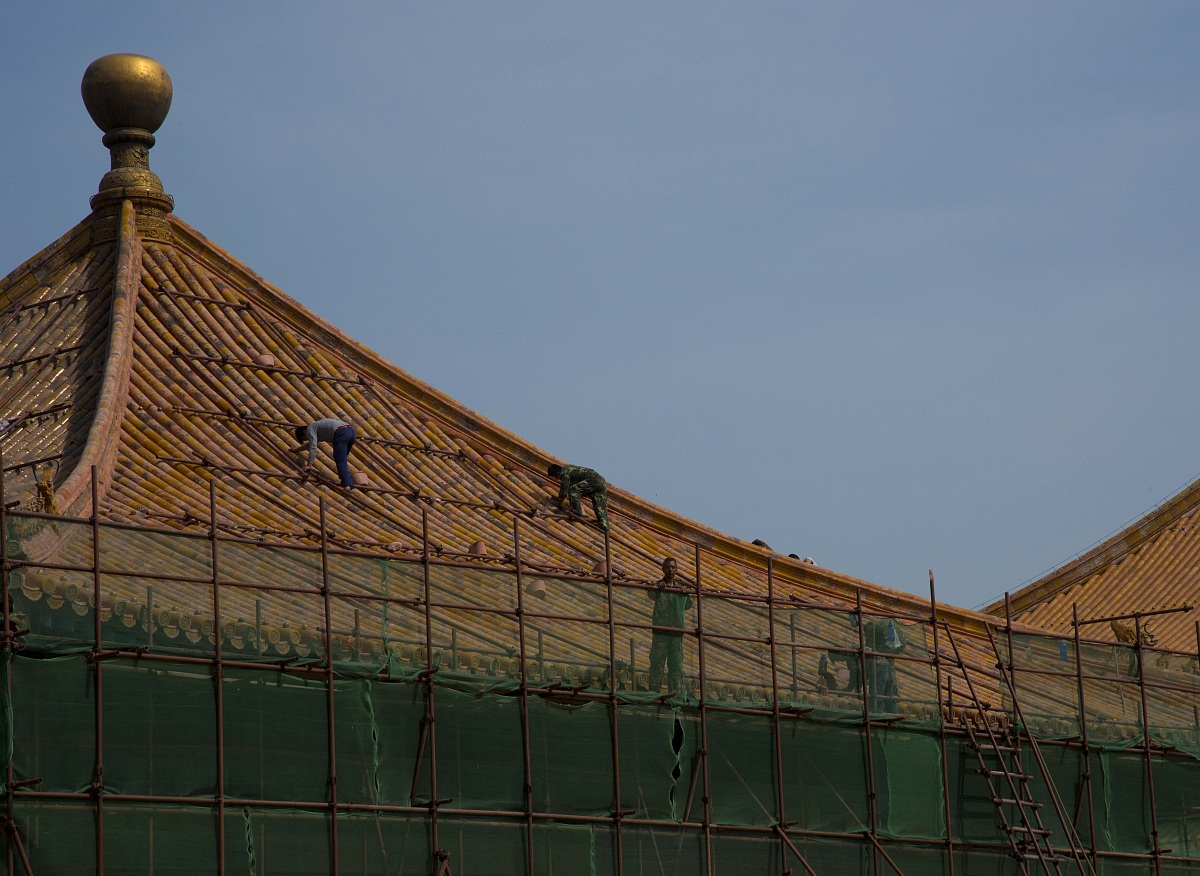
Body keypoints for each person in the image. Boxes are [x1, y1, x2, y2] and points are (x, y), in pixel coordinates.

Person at [646, 557, 692, 697]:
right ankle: (654, 692)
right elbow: (651, 594)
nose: (670, 570)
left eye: (673, 567)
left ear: (676, 569)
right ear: (663, 569)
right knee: (657, 662)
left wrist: (684, 593)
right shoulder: (659, 585)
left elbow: (688, 605)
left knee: (676, 663)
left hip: (676, 632)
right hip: (661, 632)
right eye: (667, 567)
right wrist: (658, 588)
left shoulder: (680, 587)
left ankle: (674, 693)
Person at [294, 419, 357, 488]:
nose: (308, 439)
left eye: (306, 438)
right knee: (343, 457)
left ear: (304, 432)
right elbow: (310, 444)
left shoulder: (310, 429)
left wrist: (309, 465)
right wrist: (297, 449)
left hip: (341, 433)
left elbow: (312, 448)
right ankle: (348, 478)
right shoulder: (317, 429)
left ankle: (347, 484)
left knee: (339, 459)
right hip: (351, 432)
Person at [547, 463, 610, 531]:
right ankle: (604, 527)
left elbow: (563, 492)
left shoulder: (564, 473)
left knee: (573, 490)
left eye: (555, 477)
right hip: (601, 482)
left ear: (557, 473)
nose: (557, 479)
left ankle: (576, 513)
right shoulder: (568, 468)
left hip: (593, 480)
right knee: (600, 506)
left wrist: (558, 504)